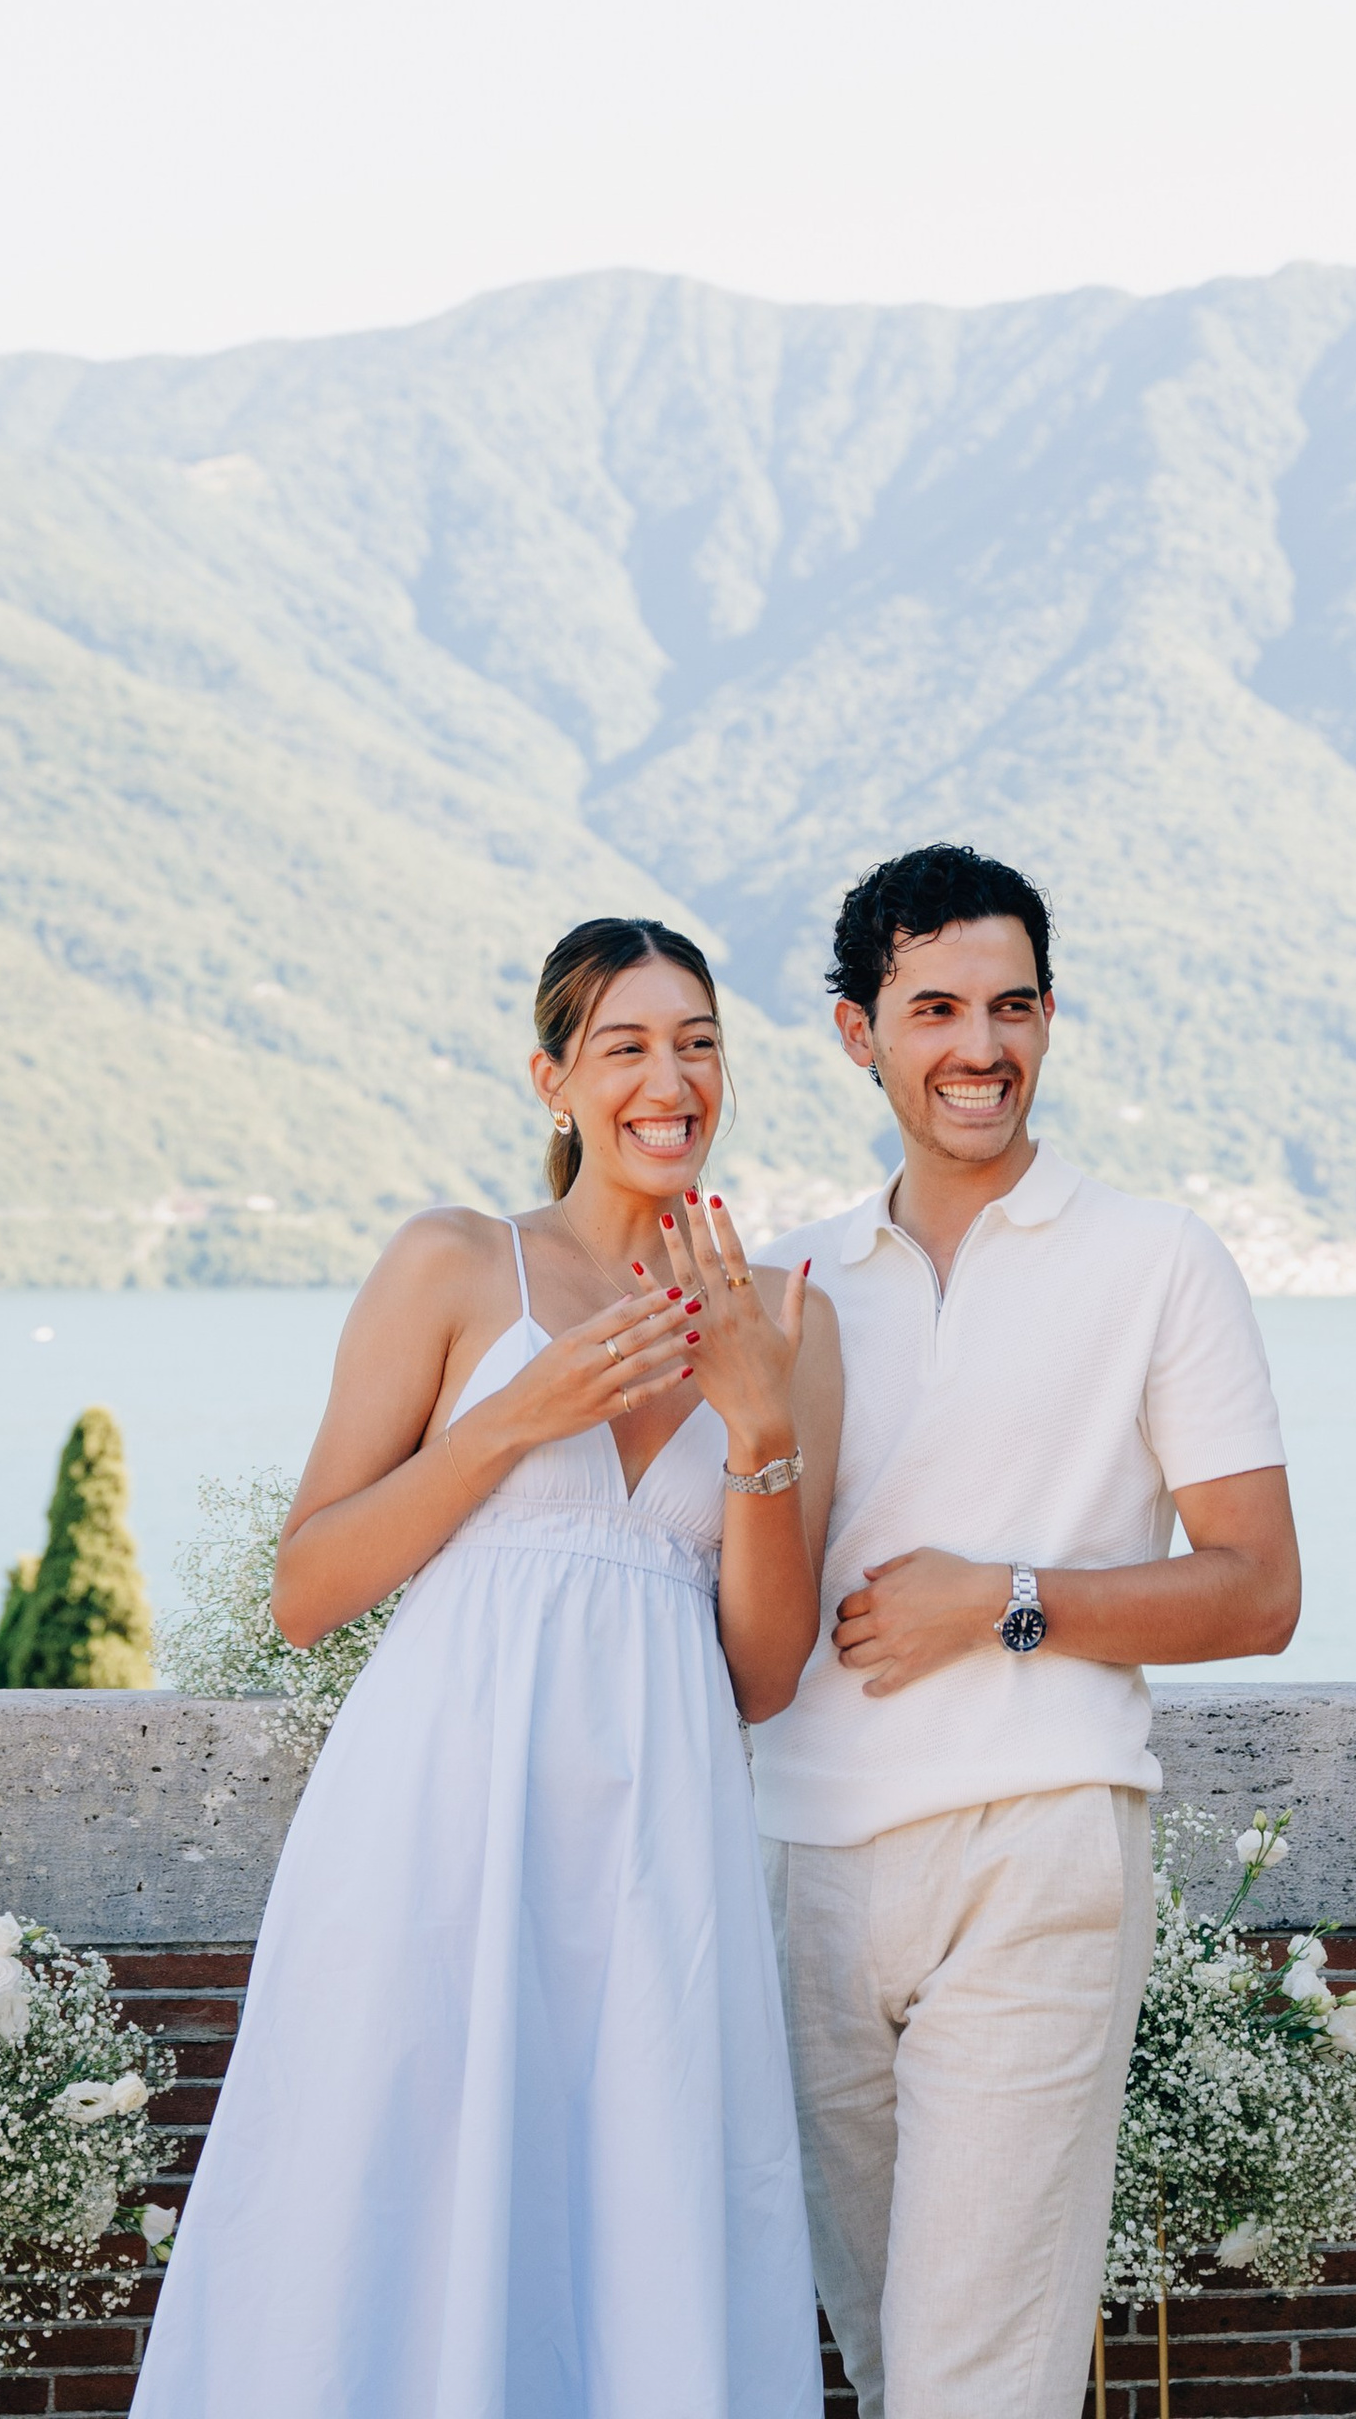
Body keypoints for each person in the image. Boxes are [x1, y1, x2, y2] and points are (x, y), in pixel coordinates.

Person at [134, 914, 843, 2419]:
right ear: (555, 1079)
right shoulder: (457, 1264)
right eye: (629, 1044)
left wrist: (758, 1428)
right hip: (440, 1823)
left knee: (638, 2209)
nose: (672, 1078)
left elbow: (765, 1672)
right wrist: (520, 1419)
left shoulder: (788, 1319)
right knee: (396, 2202)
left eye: (700, 1041)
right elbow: (308, 1588)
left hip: (661, 1847)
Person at [754, 843, 1301, 2419]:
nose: (976, 1048)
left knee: (976, 2382)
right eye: (932, 1009)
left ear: (1052, 1019)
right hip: (797, 1862)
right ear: (859, 1033)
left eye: (1011, 1006)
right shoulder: (794, 1287)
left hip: (1038, 1850)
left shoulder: (1158, 1262)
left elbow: (1258, 1585)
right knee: (882, 2355)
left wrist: (1006, 1599)